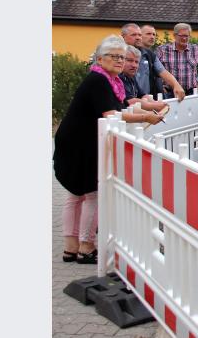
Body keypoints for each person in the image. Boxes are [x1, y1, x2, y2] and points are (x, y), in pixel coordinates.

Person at [53, 35, 164, 264]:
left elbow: (122, 105)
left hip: (78, 140)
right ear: (101, 58)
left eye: (122, 57)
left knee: (75, 195)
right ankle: (86, 247)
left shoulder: (109, 80)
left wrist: (147, 108)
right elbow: (111, 114)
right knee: (92, 193)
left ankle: (70, 248)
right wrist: (145, 116)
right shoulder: (99, 80)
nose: (120, 61)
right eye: (114, 56)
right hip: (80, 144)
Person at [121, 23, 184, 101]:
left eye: (139, 35)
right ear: (123, 37)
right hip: (124, 101)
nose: (138, 38)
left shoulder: (149, 54)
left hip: (145, 99)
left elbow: (163, 71)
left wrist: (176, 85)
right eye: (133, 35)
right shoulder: (117, 53)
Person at [156, 23, 198, 96]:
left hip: (191, 93)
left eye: (186, 36)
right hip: (169, 93)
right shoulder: (162, 50)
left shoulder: (195, 49)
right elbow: (153, 69)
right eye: (181, 35)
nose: (184, 38)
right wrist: (159, 86)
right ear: (174, 35)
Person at [121, 45, 168, 112]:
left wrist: (156, 103)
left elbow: (143, 95)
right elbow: (130, 101)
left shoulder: (131, 76)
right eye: (130, 61)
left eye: (136, 62)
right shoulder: (119, 77)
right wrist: (155, 106)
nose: (134, 65)